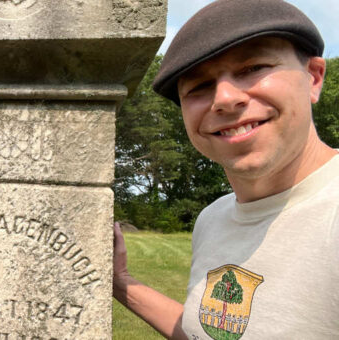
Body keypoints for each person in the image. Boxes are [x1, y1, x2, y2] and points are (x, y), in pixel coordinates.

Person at [112, 0, 339, 339]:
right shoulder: (212, 219)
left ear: (314, 78)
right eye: (199, 87)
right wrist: (121, 282)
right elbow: (209, 332)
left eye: (253, 67)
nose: (225, 98)